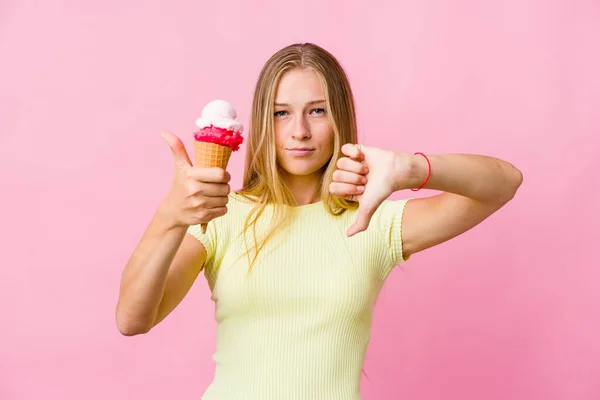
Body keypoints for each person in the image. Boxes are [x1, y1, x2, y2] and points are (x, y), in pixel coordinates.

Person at [116, 43, 523, 399]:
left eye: (317, 111)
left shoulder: (371, 222)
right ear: (262, 123)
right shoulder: (220, 216)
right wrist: (169, 217)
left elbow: (503, 183)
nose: (299, 131)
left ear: (339, 119)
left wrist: (409, 169)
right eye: (280, 113)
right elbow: (133, 320)